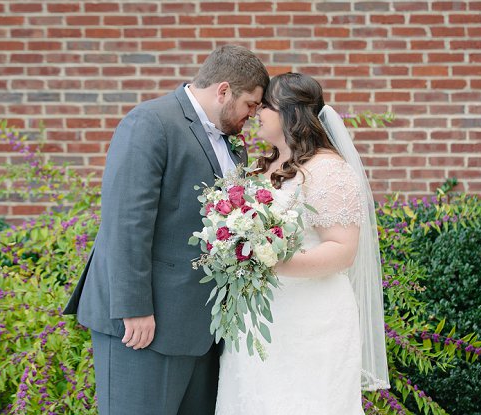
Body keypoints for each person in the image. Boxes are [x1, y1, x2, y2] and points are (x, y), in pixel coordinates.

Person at [64, 45, 269, 414]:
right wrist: (134, 308)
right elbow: (127, 221)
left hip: (204, 326)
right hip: (145, 321)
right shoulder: (151, 122)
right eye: (250, 105)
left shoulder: (232, 144)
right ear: (223, 91)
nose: (252, 116)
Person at [214, 73, 390, 414]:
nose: (256, 113)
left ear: (290, 113)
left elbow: (342, 250)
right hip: (259, 319)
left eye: (265, 106)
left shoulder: (329, 169)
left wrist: (270, 260)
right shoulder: (262, 167)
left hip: (311, 323)